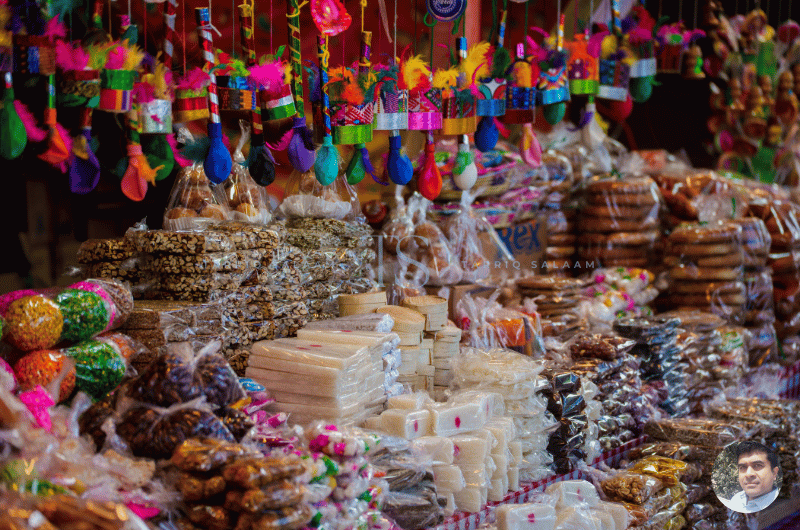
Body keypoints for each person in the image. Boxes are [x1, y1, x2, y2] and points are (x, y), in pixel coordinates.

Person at [723, 441, 781, 513]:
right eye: (743, 467)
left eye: (757, 465)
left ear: (774, 473)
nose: (748, 474)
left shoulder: (782, 507)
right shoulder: (737, 499)